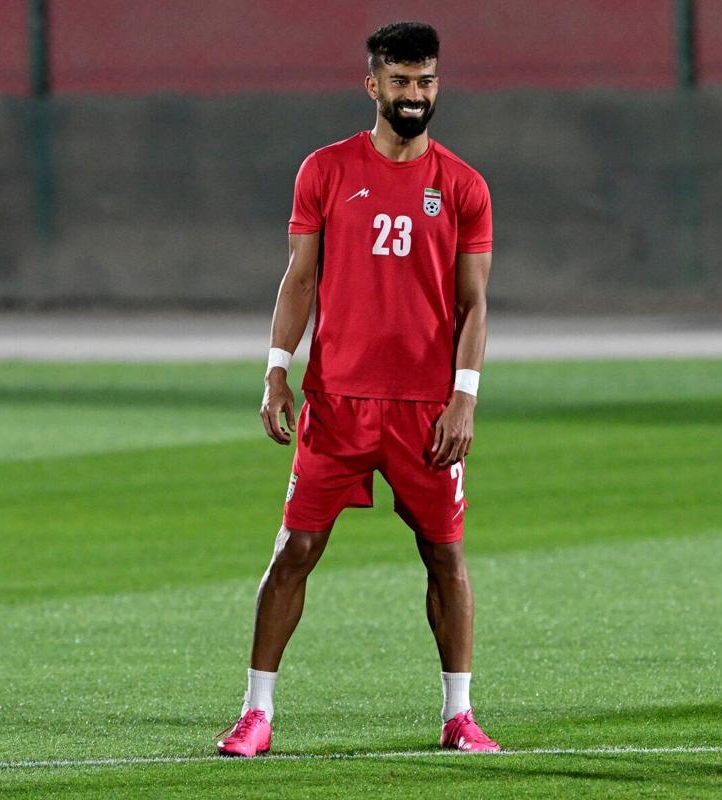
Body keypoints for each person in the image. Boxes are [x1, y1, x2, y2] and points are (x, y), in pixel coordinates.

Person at [215, 21, 499, 757]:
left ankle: (459, 715)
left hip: (427, 409)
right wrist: (277, 368)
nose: (415, 94)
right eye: (401, 81)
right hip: (337, 401)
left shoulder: (463, 185)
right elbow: (299, 277)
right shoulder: (326, 170)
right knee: (294, 549)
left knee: (444, 555)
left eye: (426, 80)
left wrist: (465, 395)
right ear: (372, 85)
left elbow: (474, 304)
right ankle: (256, 713)